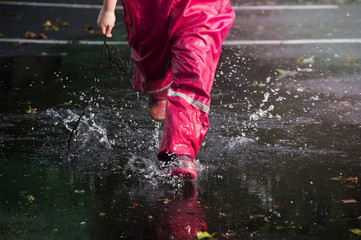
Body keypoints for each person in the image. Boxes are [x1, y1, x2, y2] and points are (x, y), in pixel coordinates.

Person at [97, 0, 235, 180]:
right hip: (149, 7)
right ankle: (159, 87)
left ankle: (179, 152)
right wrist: (108, 9)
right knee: (152, 61)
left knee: (195, 66)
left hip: (201, 5)